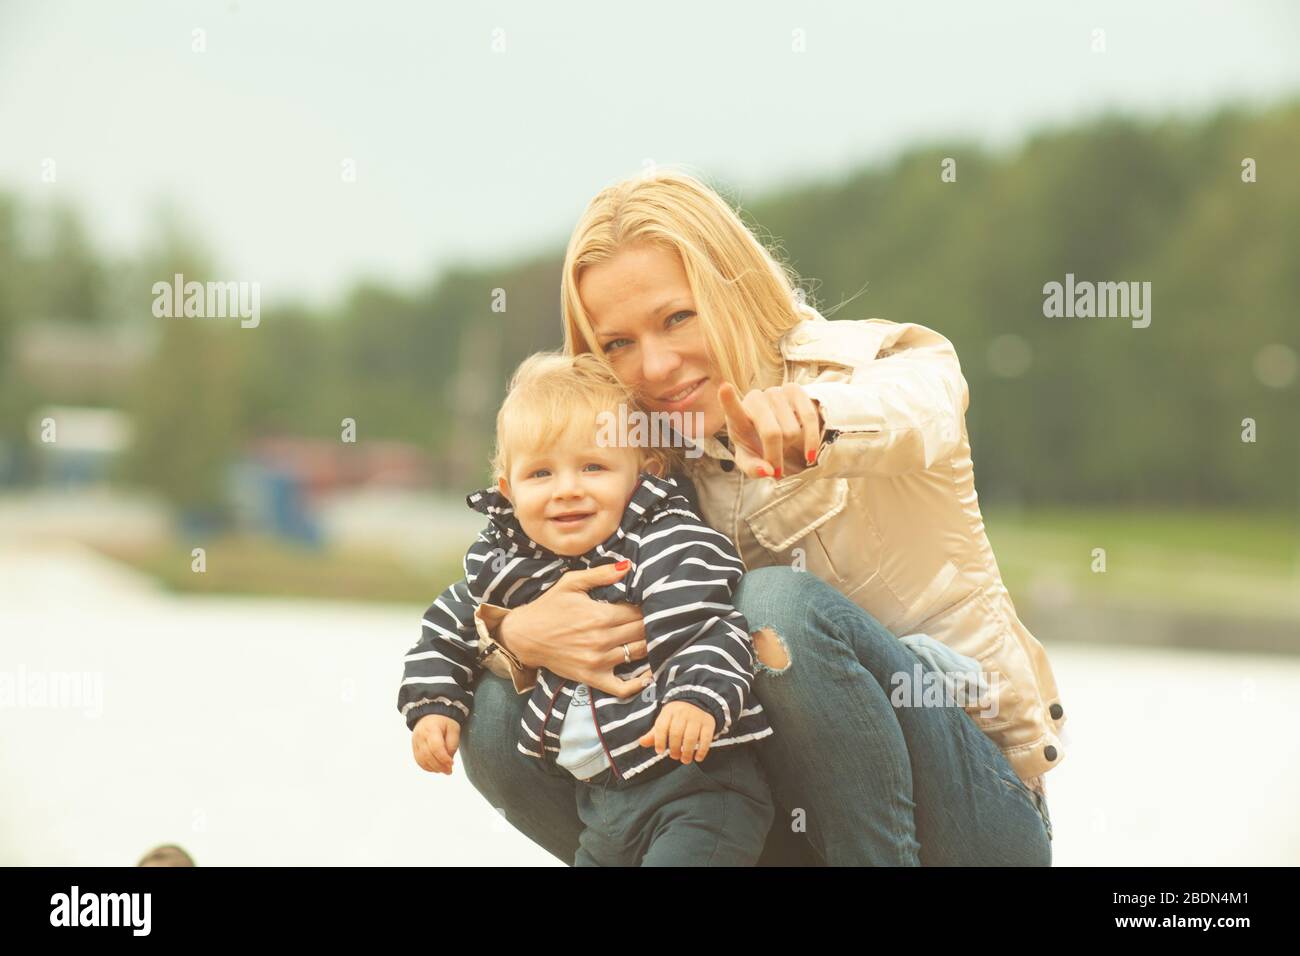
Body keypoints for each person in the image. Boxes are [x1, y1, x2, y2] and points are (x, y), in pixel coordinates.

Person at [456, 169, 1064, 866]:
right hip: (778, 814)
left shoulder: (868, 370)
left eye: (677, 318)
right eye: (617, 343)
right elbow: (506, 573)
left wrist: (815, 423)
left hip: (965, 813)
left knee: (774, 607)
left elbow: (925, 405)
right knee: (492, 710)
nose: (654, 365)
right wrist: (512, 634)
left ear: (732, 286)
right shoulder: (635, 457)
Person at [399, 351, 774, 866]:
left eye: (593, 467)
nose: (567, 489)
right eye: (541, 474)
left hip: (697, 785)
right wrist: (432, 707)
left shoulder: (663, 543)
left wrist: (695, 698)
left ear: (641, 473)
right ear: (508, 491)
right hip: (603, 802)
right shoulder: (506, 566)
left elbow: (709, 627)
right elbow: (445, 632)